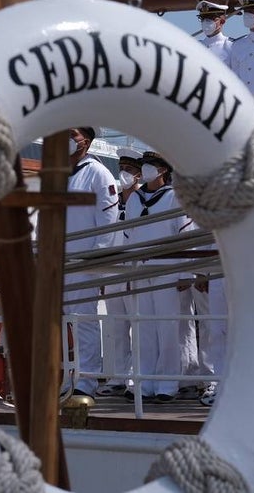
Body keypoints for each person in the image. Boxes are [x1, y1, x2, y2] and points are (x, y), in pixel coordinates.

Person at [123, 151, 192, 402]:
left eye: (151, 165)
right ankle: (144, 382)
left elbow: (184, 236)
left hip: (167, 269)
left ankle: (167, 384)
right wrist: (128, 271)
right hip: (140, 269)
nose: (146, 169)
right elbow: (128, 236)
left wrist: (184, 273)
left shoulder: (175, 197)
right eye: (145, 166)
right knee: (143, 328)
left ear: (163, 170)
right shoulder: (135, 199)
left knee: (167, 327)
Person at [64, 126, 120, 397]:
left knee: (84, 321)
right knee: (62, 323)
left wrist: (96, 260)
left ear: (85, 140)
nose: (66, 138)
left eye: (72, 133)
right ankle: (66, 375)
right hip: (59, 260)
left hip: (84, 262)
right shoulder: (59, 174)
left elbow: (108, 221)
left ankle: (87, 379)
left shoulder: (98, 173)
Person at [97, 146, 143, 397]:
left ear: (139, 175)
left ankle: (135, 378)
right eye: (122, 169)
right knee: (115, 327)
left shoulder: (144, 201)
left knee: (138, 327)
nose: (124, 174)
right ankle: (117, 376)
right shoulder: (113, 202)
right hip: (113, 272)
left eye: (129, 170)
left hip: (134, 272)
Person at [195, 0, 233, 64]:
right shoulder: (195, 46)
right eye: (203, 18)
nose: (206, 21)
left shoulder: (231, 46)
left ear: (222, 21)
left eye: (210, 18)